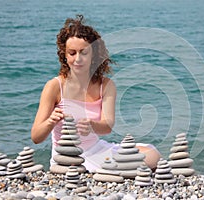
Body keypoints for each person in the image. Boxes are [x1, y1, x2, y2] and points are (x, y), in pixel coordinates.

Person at [31, 15, 161, 172]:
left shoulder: (105, 85)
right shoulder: (54, 86)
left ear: (93, 55)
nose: (78, 59)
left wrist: (92, 126)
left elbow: (107, 127)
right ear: (64, 56)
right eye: (72, 53)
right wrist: (50, 122)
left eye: (84, 52)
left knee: (153, 154)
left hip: (97, 149)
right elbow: (36, 137)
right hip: (68, 158)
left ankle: (119, 167)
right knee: (139, 163)